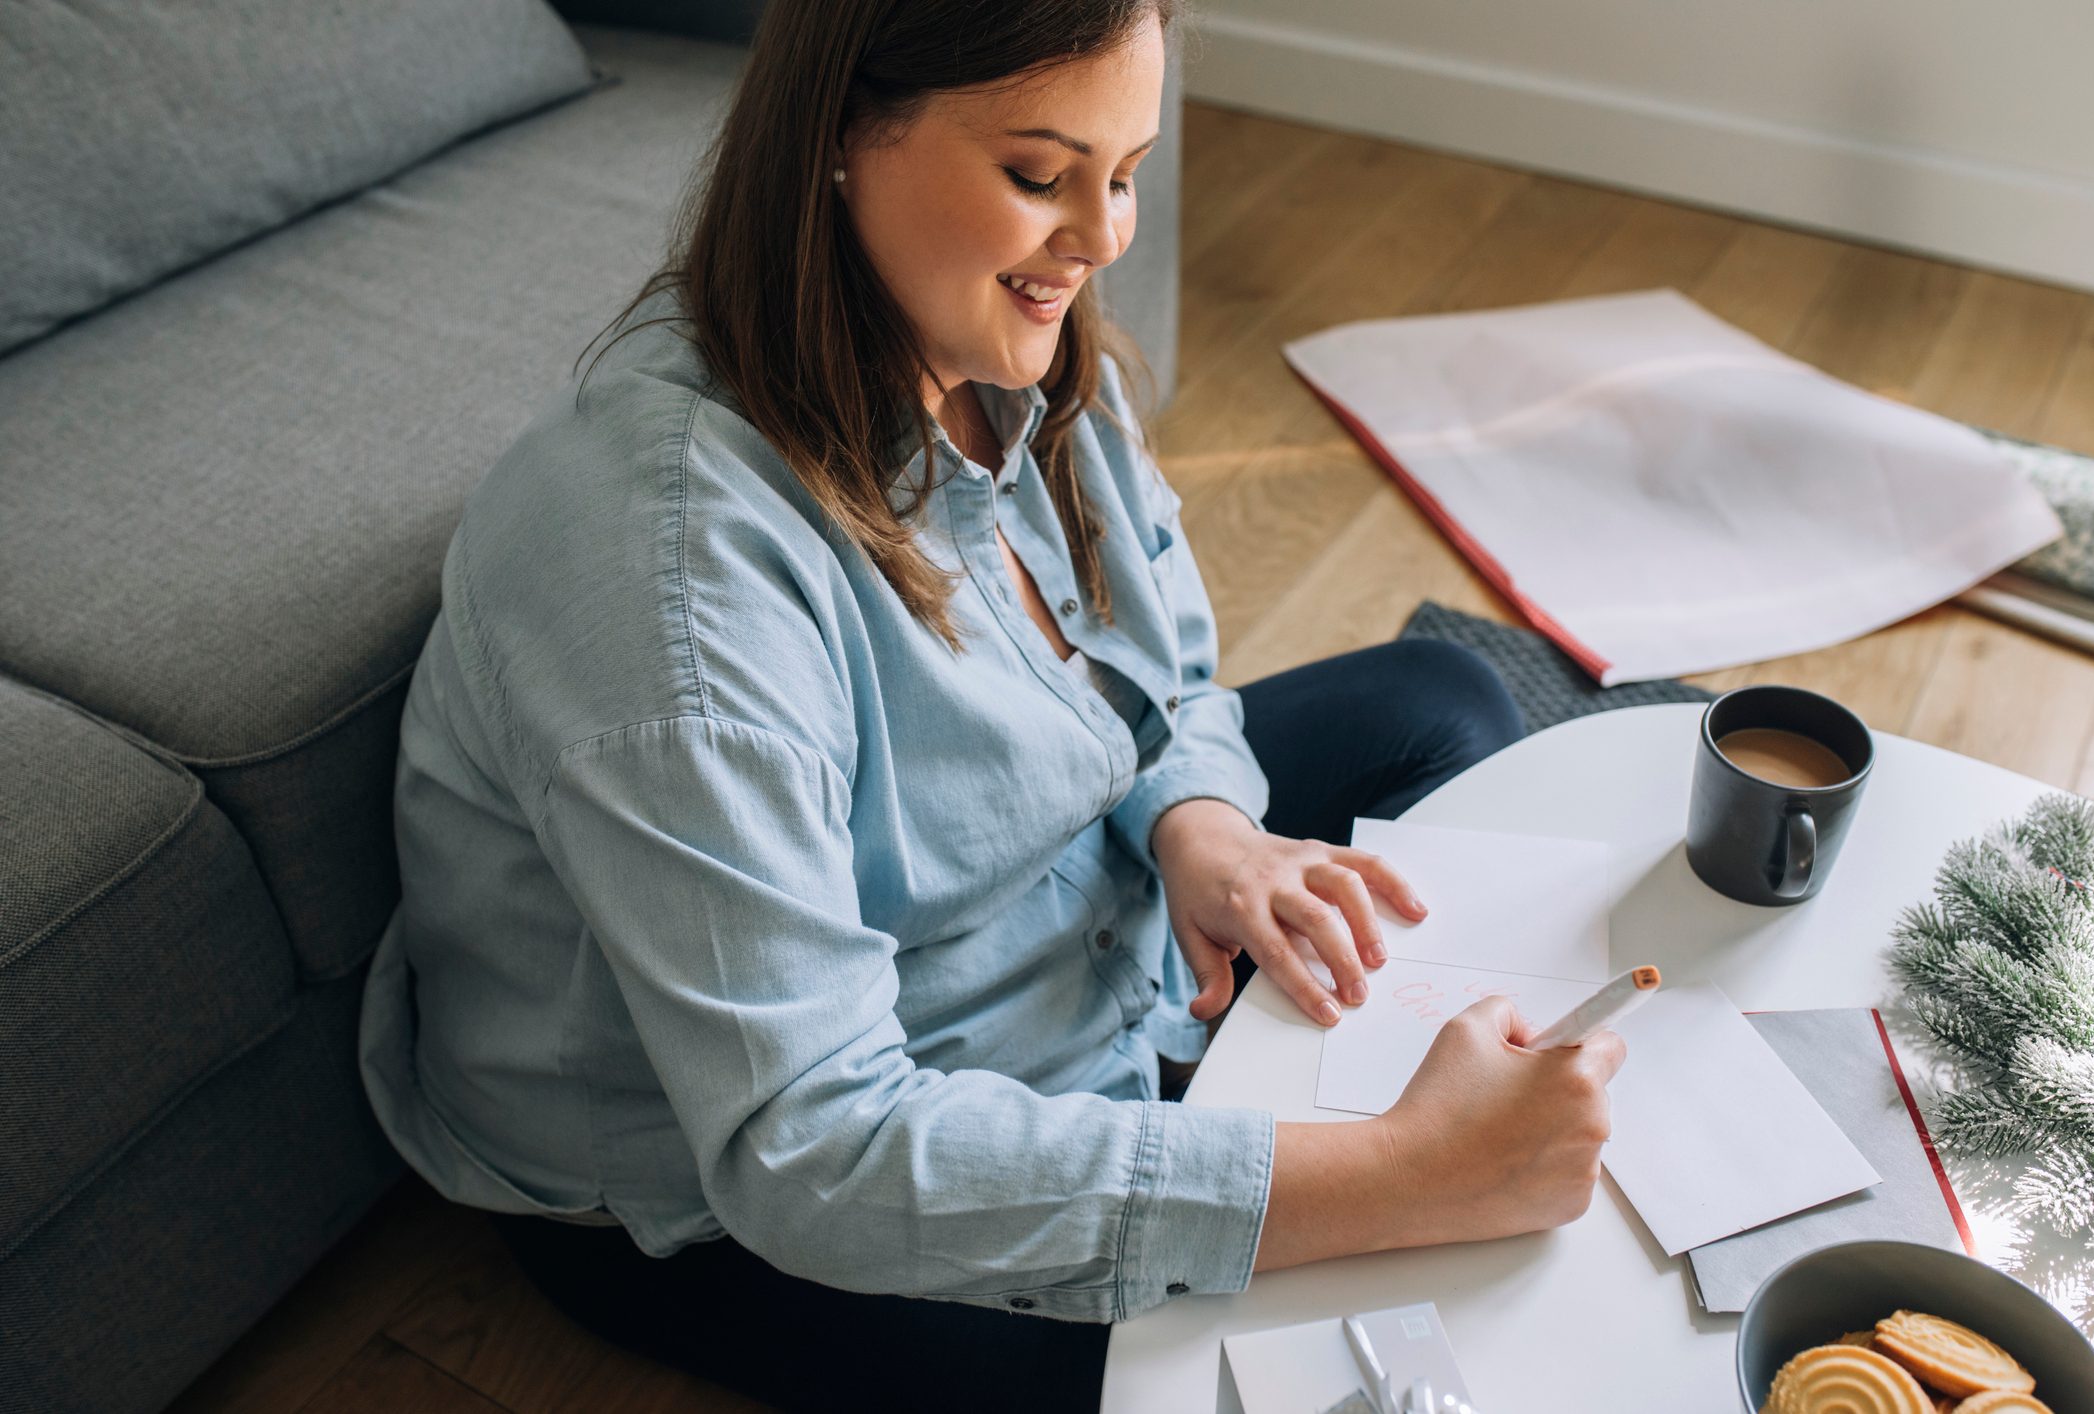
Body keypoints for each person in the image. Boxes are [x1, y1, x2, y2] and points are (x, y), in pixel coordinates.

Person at [354, 1, 1627, 1410]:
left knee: (1439, 701)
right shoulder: (679, 581)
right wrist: (1400, 1175)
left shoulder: (1004, 334)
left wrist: (1197, 820)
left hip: (1037, 941)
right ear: (837, 137)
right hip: (749, 1182)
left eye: (1124, 171)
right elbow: (815, 1148)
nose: (1102, 236)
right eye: (1040, 176)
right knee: (1271, 1365)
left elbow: (1162, 668)